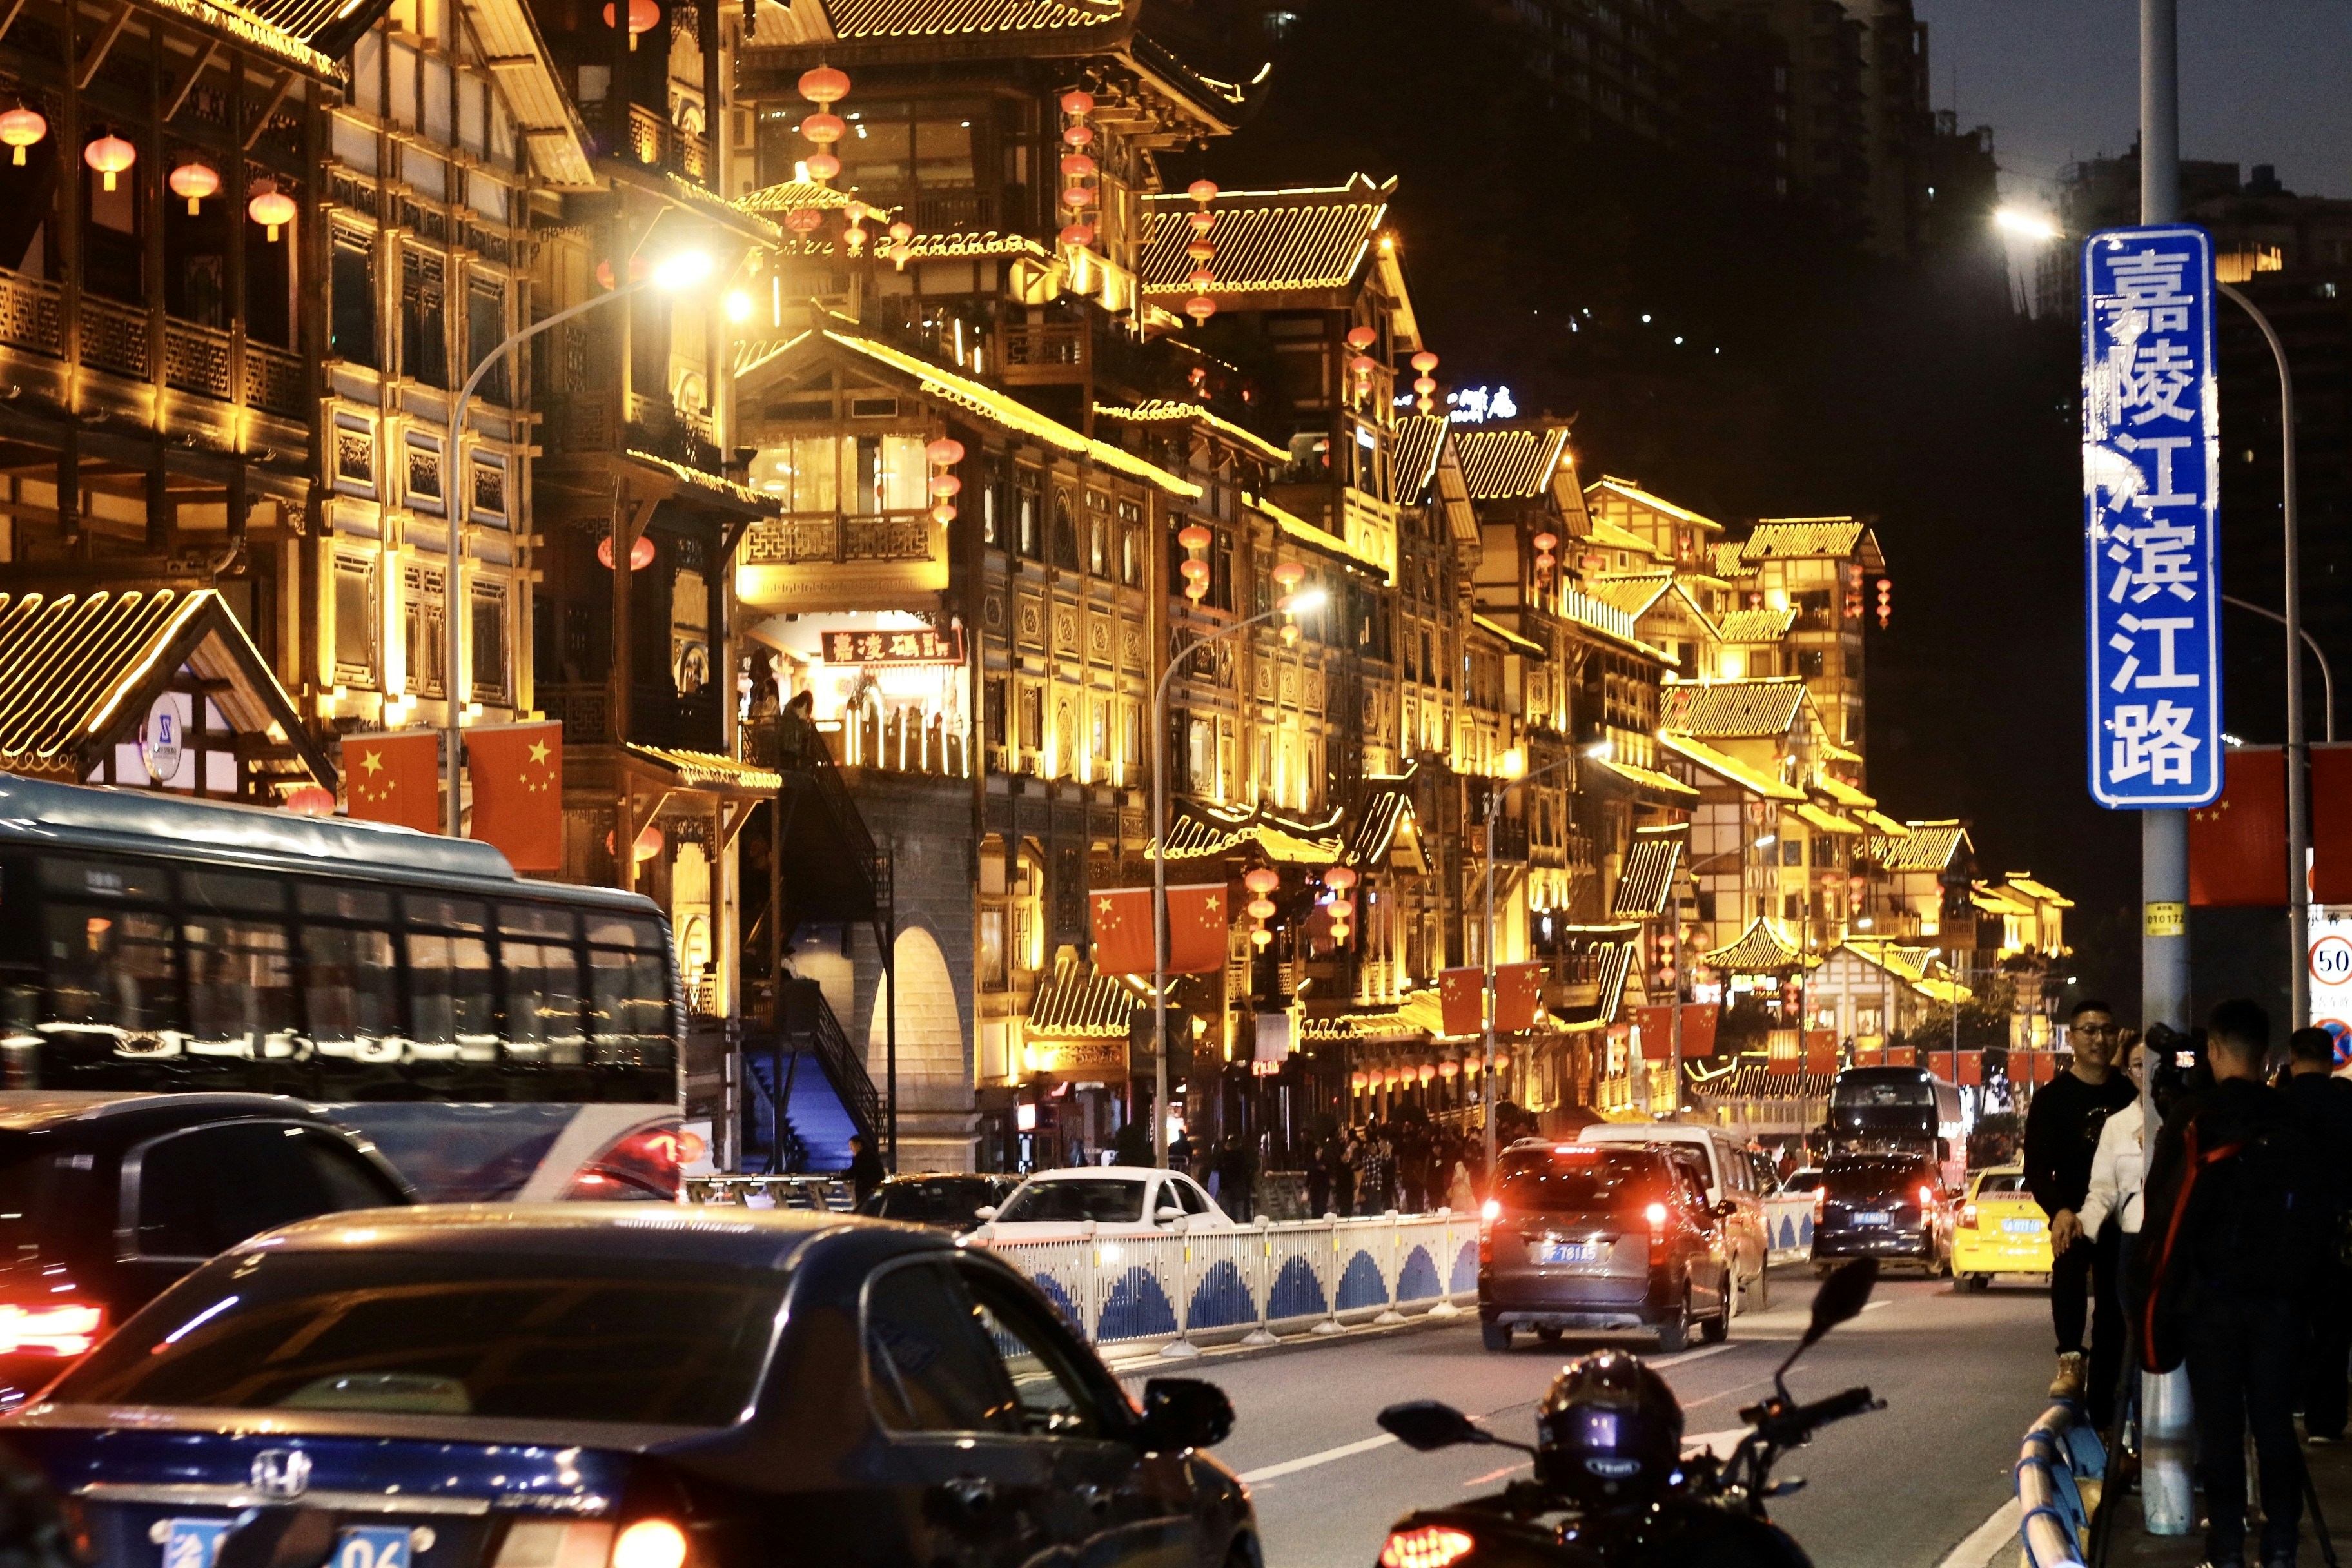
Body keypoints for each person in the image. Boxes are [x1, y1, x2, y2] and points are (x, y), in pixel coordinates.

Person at [2136, 1000, 2321, 1568]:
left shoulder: (2194, 1115)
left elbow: (2162, 1209)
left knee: (2220, 1429)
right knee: (2273, 1426)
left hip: (2209, 1301)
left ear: (2214, 1051)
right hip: (2281, 1302)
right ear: (2266, 1056)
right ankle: (2283, 1544)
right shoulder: (2291, 1118)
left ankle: (2227, 1551)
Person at [2023, 997, 2138, 1424]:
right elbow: (2035, 1167)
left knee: (2114, 1313)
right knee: (2069, 1268)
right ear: (2071, 1037)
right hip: (2075, 1214)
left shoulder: (2130, 1094)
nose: (2099, 1038)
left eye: (2107, 1030)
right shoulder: (2052, 1099)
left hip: (2123, 1217)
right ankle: (2070, 1357)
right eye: (2088, 1030)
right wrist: (2058, 1211)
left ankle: (2105, 1415)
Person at [2286, 1025, 2352, 1444]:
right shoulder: (2347, 1101)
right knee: (2333, 1325)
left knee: (2288, 1320)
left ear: (2293, 1061)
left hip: (2287, 1230)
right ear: (2331, 1060)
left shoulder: (2279, 1104)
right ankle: (2325, 1422)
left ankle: (2291, 1400)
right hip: (2341, 1229)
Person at [2079, 1037, 2148, 1243]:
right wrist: (2082, 1226)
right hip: (2134, 1235)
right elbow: (2103, 1190)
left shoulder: (2190, 1119)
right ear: (2127, 1072)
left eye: (2156, 1062)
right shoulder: (2117, 1125)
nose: (2148, 1072)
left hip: (2183, 1239)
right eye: (2138, 1065)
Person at [847, 1133, 886, 1207]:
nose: (851, 1149)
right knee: (874, 1207)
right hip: (876, 1189)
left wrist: (840, 1175)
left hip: (867, 1191)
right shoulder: (869, 1154)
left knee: (866, 1208)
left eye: (852, 1146)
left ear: (859, 1145)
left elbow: (853, 1172)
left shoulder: (861, 1157)